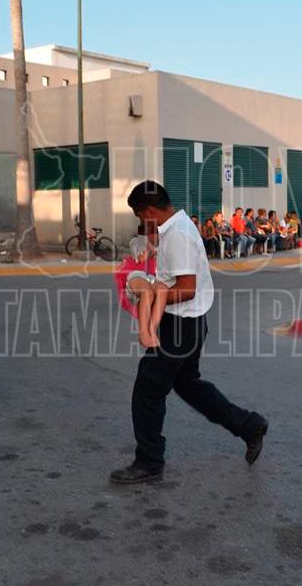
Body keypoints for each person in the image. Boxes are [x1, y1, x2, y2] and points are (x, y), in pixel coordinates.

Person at [110, 181, 269, 484]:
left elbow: (186, 289)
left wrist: (147, 296)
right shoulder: (175, 227)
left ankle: (149, 461)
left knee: (147, 390)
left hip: (181, 326)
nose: (141, 223)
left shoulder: (178, 235)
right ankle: (249, 426)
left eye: (141, 216)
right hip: (188, 323)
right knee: (188, 385)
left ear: (150, 211)